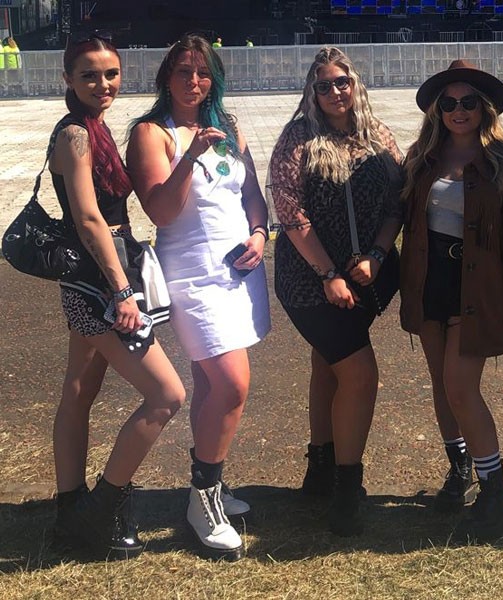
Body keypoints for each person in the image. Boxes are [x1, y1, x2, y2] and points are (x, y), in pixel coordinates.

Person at [127, 33, 271, 561]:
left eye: (203, 72)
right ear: (166, 77)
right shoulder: (151, 133)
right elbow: (162, 211)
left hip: (239, 271)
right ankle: (203, 498)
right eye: (184, 71)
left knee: (213, 387)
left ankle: (209, 480)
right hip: (192, 274)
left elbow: (252, 195)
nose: (194, 81)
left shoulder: (227, 127)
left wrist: (260, 234)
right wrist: (189, 156)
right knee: (232, 384)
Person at [49, 33, 186, 560]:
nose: (102, 83)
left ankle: (69, 508)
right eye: (88, 75)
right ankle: (100, 509)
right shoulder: (75, 135)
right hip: (100, 284)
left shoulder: (93, 127)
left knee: (79, 390)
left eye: (110, 74)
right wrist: (123, 290)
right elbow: (88, 218)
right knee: (167, 394)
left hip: (91, 279)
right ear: (68, 79)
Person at [400, 59, 503, 539]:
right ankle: (459, 469)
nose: (458, 111)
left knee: (462, 388)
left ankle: (494, 494)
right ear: (437, 111)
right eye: (448, 103)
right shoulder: (422, 157)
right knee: (442, 386)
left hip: (478, 287)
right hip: (430, 280)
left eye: (467, 102)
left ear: (483, 109)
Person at [269, 46, 404, 537]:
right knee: (360, 374)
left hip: (367, 275)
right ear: (312, 91)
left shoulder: (377, 134)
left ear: (355, 84)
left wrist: (379, 255)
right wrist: (329, 274)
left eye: (341, 81)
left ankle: (321, 467)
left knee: (328, 363)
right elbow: (291, 213)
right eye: (323, 85)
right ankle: (348, 487)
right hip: (310, 281)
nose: (334, 92)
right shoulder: (298, 138)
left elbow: (397, 203)